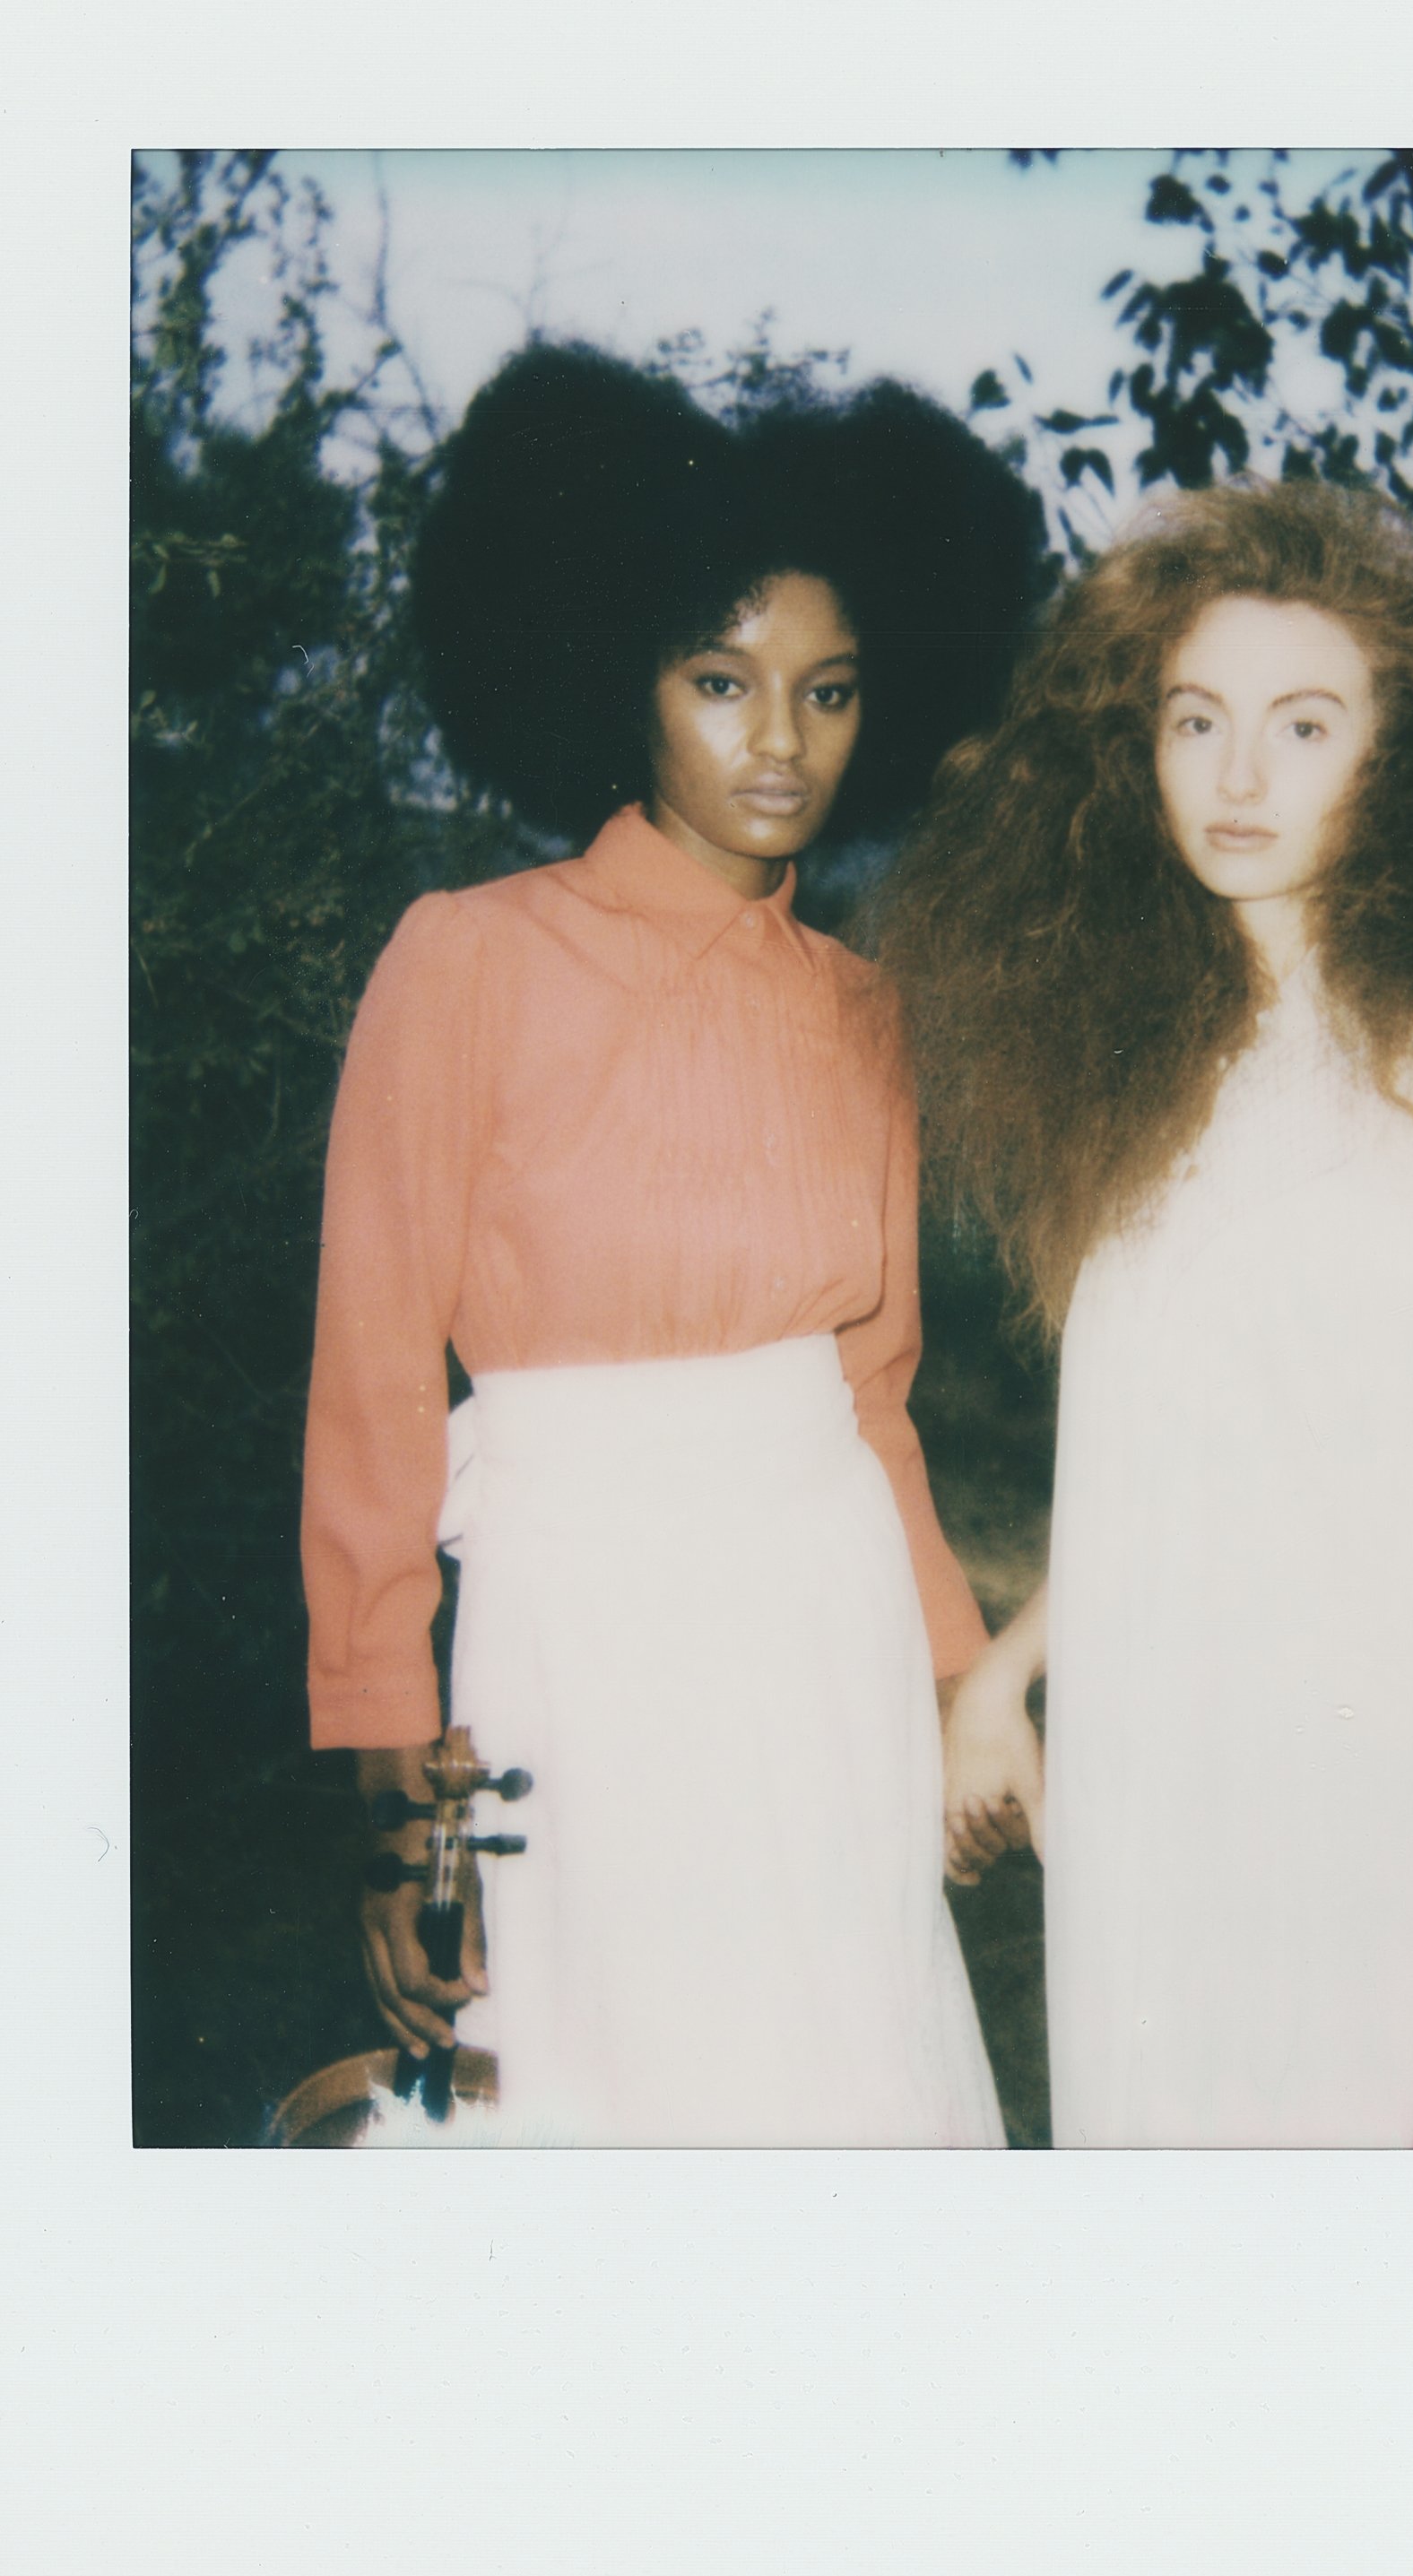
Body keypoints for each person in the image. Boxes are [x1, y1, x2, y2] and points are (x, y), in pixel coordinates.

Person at [883, 479, 1413, 2147]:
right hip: (1159, 1832)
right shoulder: (1145, 1094)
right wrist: (1007, 1675)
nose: (1240, 774)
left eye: (1305, 724)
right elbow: (1202, 1479)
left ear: (1398, 763)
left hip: (1385, 1852)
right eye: (1198, 719)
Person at [300, 343, 1048, 2144]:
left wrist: (966, 1689)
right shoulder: (469, 960)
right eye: (722, 681)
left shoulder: (866, 1014)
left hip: (824, 1634)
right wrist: (393, 1804)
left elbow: (873, 1404)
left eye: (828, 691)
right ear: (619, 678)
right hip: (579, 1633)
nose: (779, 741)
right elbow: (372, 1394)